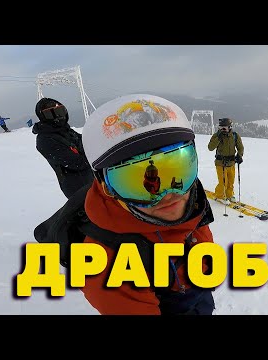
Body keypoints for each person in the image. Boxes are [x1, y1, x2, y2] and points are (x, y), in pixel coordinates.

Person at [79, 93, 216, 315]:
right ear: (106, 188)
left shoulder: (192, 204)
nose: (167, 195)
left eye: (177, 169)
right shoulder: (104, 265)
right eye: (133, 182)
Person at [32, 97, 94, 198]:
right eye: (51, 114)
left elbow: (86, 142)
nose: (58, 117)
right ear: (43, 117)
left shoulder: (65, 130)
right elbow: (78, 163)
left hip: (92, 179)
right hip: (78, 188)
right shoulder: (45, 140)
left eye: (60, 111)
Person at [207, 117, 244, 204]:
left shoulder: (234, 135)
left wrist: (239, 155)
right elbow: (210, 147)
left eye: (225, 128)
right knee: (223, 182)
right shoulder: (216, 136)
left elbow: (240, 147)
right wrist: (218, 138)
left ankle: (229, 195)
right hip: (220, 163)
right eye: (221, 128)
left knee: (231, 181)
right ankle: (220, 196)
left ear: (230, 127)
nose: (223, 129)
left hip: (231, 162)